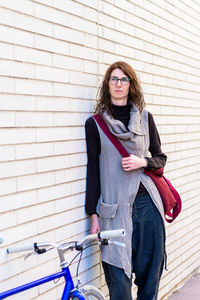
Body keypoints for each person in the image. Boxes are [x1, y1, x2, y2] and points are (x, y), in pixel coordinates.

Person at [85, 61, 167, 300]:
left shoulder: (145, 118)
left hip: (147, 206)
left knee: (150, 279)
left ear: (131, 85)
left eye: (123, 79)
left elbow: (160, 158)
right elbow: (92, 170)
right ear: (107, 84)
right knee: (119, 282)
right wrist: (93, 215)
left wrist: (143, 162)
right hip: (114, 210)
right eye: (114, 79)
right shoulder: (95, 124)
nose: (118, 84)